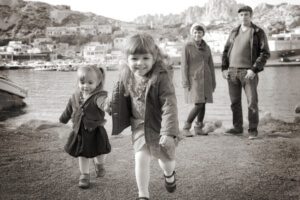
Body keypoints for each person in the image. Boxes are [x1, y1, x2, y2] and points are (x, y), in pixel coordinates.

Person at [110, 33, 180, 200]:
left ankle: (169, 175)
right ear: (127, 59)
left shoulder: (161, 78)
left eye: (145, 58)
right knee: (140, 158)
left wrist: (168, 132)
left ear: (154, 57)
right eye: (134, 58)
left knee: (166, 160)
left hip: (160, 125)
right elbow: (116, 98)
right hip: (140, 125)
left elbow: (169, 105)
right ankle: (143, 195)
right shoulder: (125, 77)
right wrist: (105, 105)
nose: (140, 63)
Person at [221, 5, 270, 140]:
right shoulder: (233, 32)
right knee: (235, 102)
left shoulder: (258, 32)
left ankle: (252, 130)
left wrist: (254, 69)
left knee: (252, 102)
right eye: (241, 15)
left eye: (246, 14)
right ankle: (237, 128)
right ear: (239, 16)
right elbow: (225, 51)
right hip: (232, 72)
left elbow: (265, 53)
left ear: (251, 16)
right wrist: (224, 68)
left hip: (248, 73)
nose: (244, 17)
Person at [59, 65, 111, 189]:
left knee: (101, 152)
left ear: (98, 82)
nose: (85, 85)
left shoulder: (99, 96)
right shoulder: (75, 96)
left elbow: (103, 104)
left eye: (90, 82)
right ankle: (84, 175)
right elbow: (68, 110)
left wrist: (108, 107)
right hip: (80, 131)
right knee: (83, 154)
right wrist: (63, 119)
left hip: (96, 130)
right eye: (82, 82)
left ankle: (99, 164)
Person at [181, 23, 216, 137]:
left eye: (199, 32)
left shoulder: (207, 48)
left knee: (203, 103)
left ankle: (198, 128)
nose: (197, 34)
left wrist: (213, 82)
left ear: (203, 34)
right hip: (194, 80)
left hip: (206, 79)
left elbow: (211, 65)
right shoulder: (187, 46)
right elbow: (184, 66)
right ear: (192, 33)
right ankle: (186, 127)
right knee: (199, 104)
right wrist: (185, 81)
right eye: (195, 32)